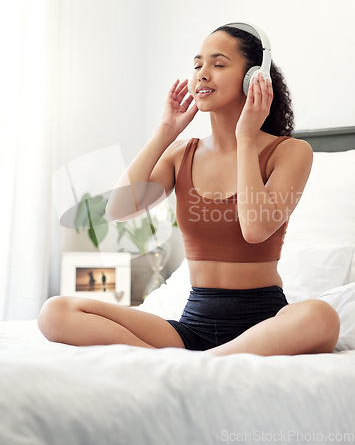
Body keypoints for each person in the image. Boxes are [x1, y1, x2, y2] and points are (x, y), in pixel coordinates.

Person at [38, 23, 340, 356]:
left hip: (265, 322)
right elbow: (118, 209)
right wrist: (165, 131)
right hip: (195, 324)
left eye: (218, 64)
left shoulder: (290, 152)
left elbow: (255, 229)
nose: (202, 74)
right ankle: (192, 364)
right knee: (56, 311)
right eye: (197, 65)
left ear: (253, 77)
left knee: (321, 317)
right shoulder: (182, 153)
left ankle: (198, 364)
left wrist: (245, 137)